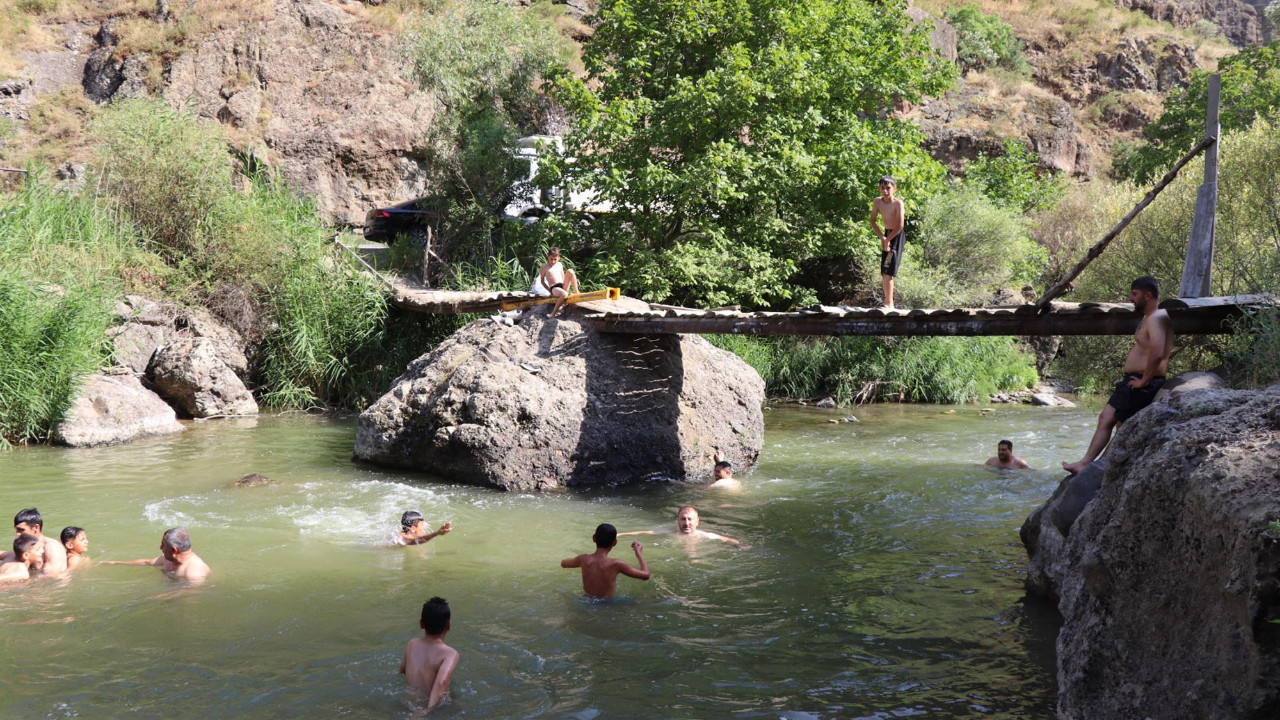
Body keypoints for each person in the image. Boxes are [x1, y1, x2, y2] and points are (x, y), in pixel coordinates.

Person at [1062, 276, 1174, 475]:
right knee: (1106, 418)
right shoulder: (1150, 317)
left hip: (1143, 381)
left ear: (1147, 295)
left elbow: (1157, 352)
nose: (1131, 298)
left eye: (1134, 294)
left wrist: (1144, 381)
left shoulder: (1157, 317)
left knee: (1121, 425)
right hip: (1133, 380)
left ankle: (1106, 469)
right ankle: (1085, 464)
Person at [399, 596, 460, 714]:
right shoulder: (450, 654)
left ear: (421, 624)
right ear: (449, 625)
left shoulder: (412, 644)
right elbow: (441, 683)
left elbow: (402, 672)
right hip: (432, 709)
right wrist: (427, 711)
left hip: (408, 705)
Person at [560, 523, 650, 599]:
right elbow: (646, 575)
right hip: (607, 604)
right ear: (614, 543)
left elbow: (563, 563)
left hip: (586, 601)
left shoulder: (583, 559)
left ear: (594, 539)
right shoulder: (616, 564)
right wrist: (639, 554)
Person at [103, 527, 210, 582]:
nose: (160, 548)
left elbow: (190, 594)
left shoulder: (194, 572)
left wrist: (155, 598)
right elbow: (146, 562)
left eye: (163, 545)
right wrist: (114, 562)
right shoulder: (168, 559)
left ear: (174, 550)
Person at [869, 176, 906, 310]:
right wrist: (882, 238)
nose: (885, 191)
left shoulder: (898, 203)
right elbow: (872, 221)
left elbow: (900, 225)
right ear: (879, 188)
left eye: (888, 188)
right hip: (886, 235)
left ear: (894, 188)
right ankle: (887, 301)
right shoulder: (878, 202)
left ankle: (889, 303)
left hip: (896, 235)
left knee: (888, 269)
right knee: (884, 269)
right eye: (883, 188)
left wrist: (888, 239)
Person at [619, 506, 741, 546]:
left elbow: (726, 539)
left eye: (690, 519)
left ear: (697, 521)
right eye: (683, 519)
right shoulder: (671, 533)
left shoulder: (705, 535)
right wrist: (620, 534)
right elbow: (646, 532)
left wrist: (740, 545)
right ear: (678, 521)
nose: (686, 523)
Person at [0, 508, 68, 576]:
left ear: (36, 527)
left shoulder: (52, 547)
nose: (17, 534)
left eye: (21, 530)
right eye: (17, 530)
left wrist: (22, 579)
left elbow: (52, 578)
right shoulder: (28, 545)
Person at [538, 247, 580, 318]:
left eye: (555, 259)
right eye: (551, 259)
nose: (553, 261)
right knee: (564, 294)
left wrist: (565, 285)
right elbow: (542, 281)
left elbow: (563, 277)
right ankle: (553, 313)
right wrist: (550, 291)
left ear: (559, 258)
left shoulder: (559, 264)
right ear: (548, 257)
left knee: (570, 271)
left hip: (562, 286)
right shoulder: (544, 266)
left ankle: (577, 292)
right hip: (554, 288)